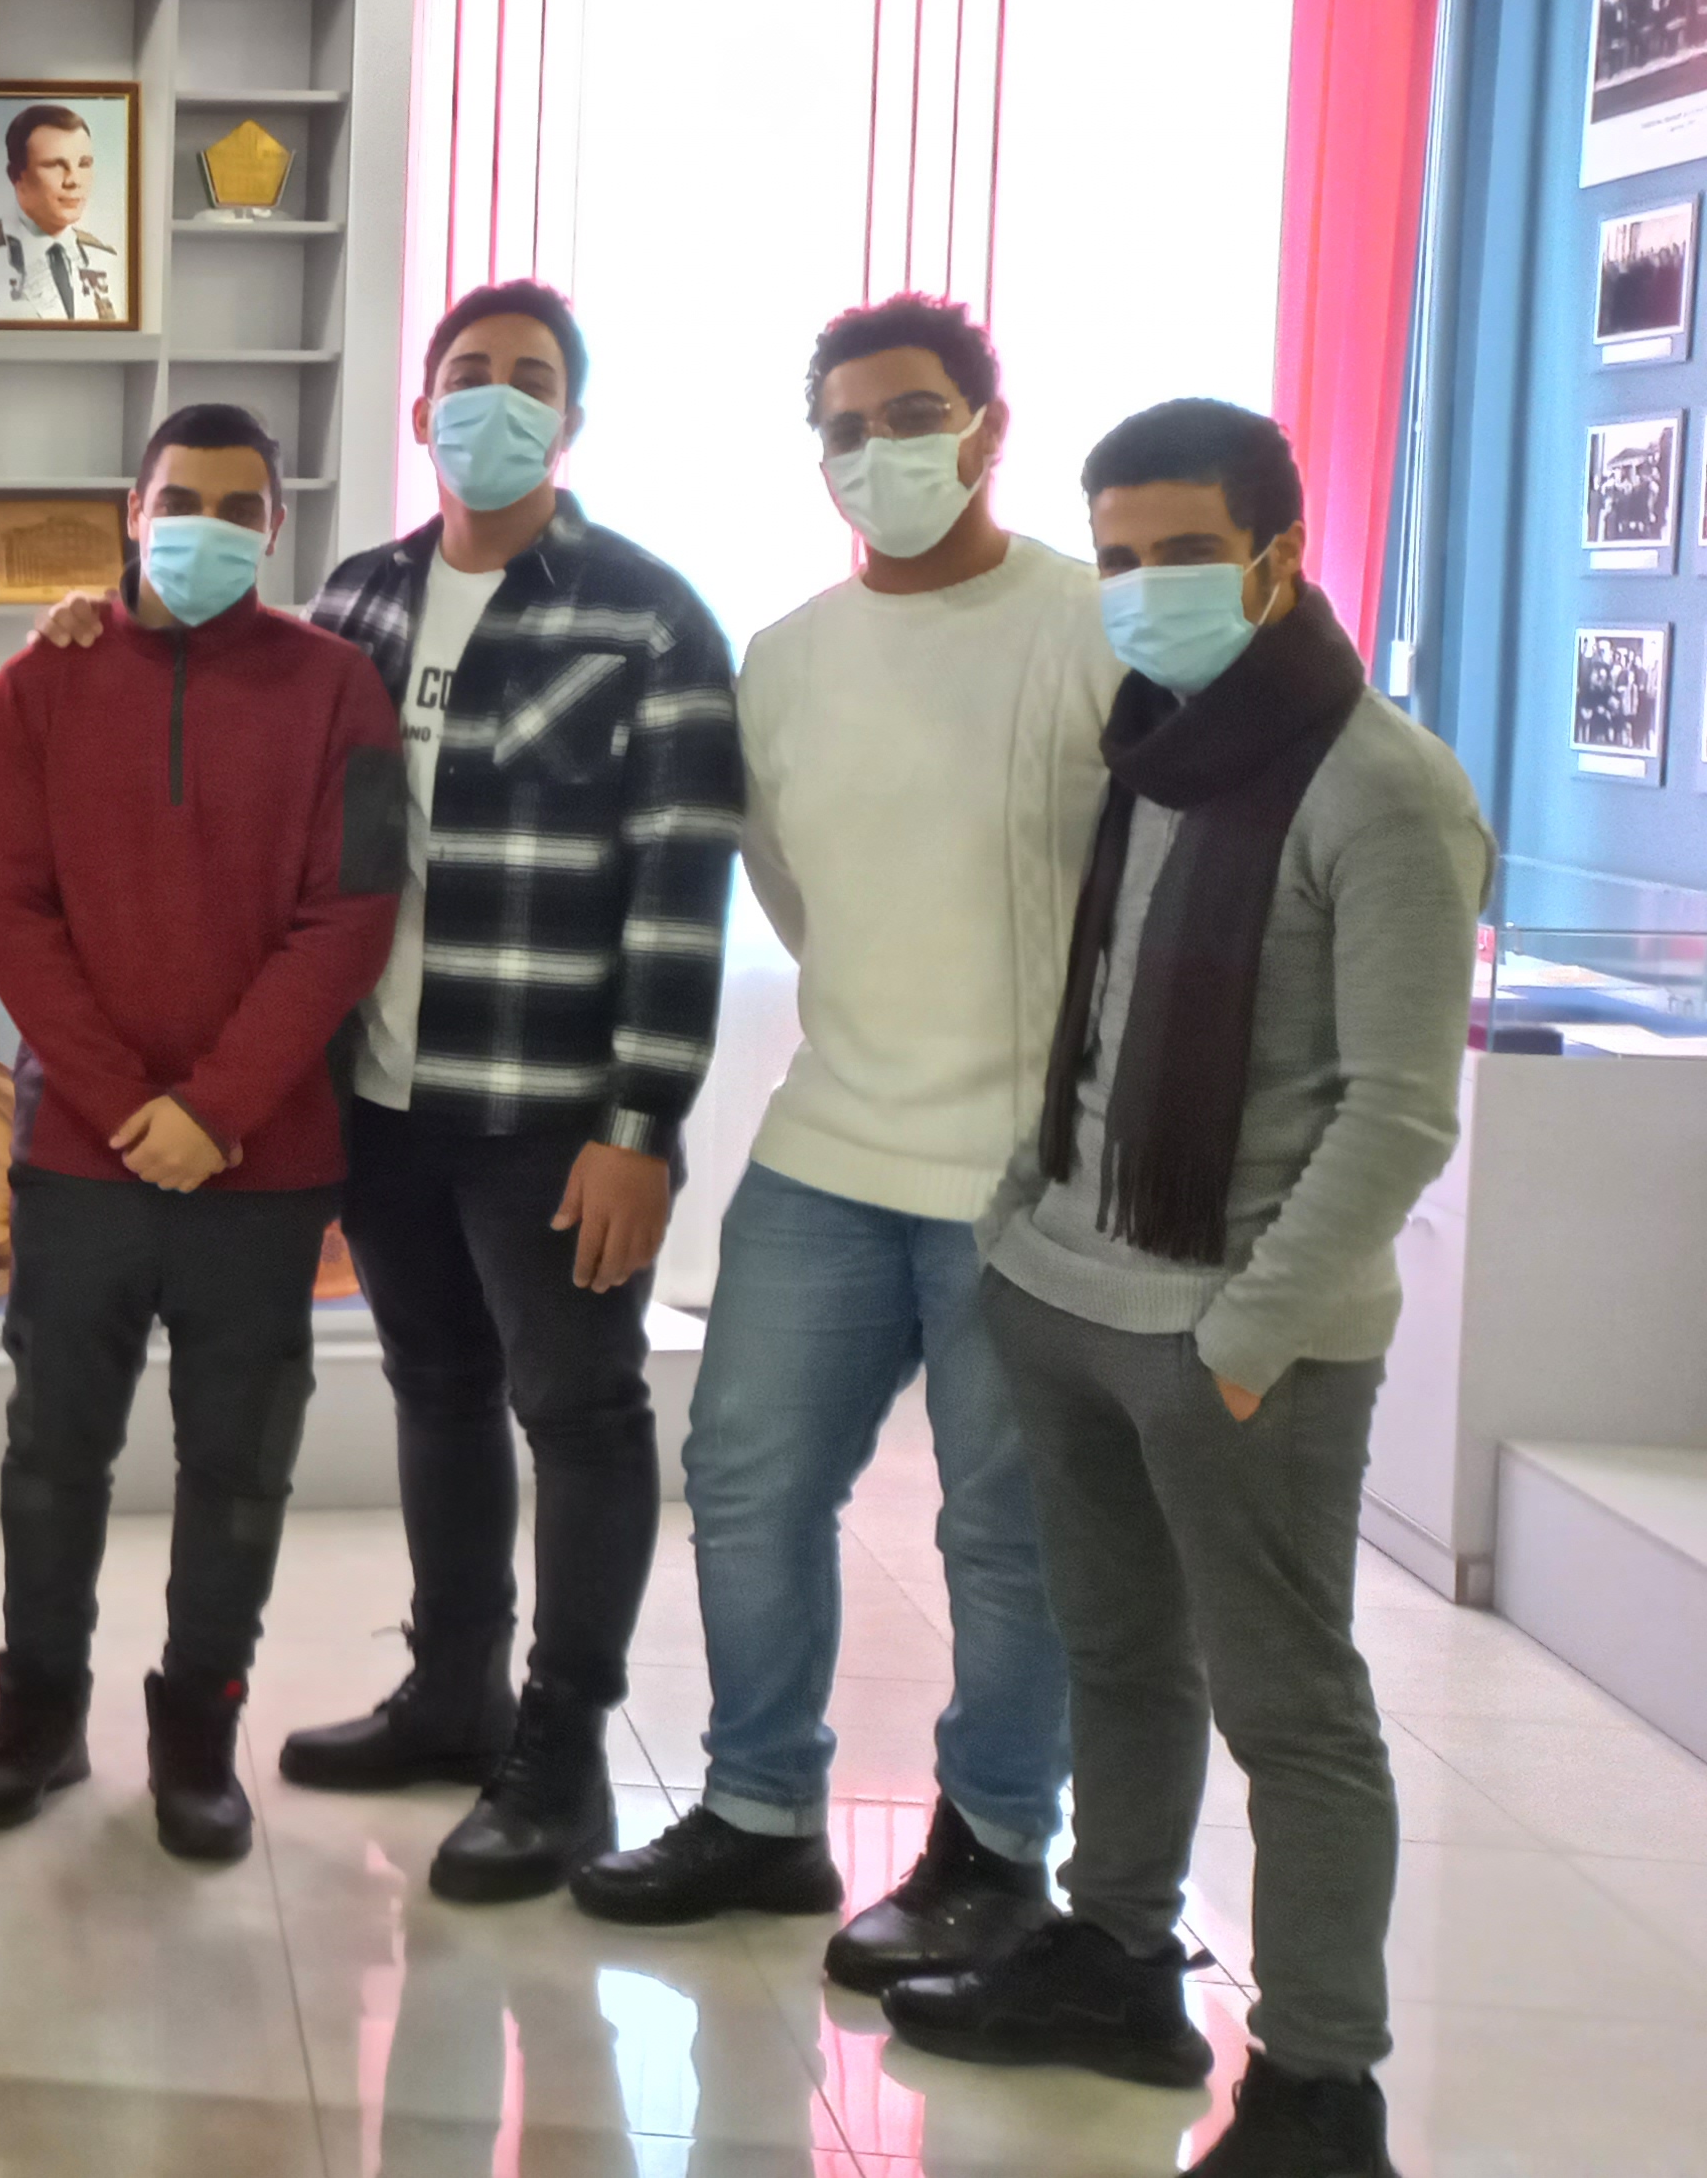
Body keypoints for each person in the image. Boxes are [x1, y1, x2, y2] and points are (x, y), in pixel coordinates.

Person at [884, 401, 1487, 2178]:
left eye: (1184, 552)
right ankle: (1116, 1957)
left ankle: (1318, 2084)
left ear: (1277, 557)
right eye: (1120, 555)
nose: (1144, 588)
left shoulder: (1384, 787)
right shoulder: (1149, 746)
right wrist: (1019, 1224)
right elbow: (1098, 1018)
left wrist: (1244, 1332)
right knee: (1115, 1654)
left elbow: (1396, 1111)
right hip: (1065, 1290)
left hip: (1240, 1344)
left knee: (1289, 1710)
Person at [572, 297, 1100, 1985]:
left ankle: (994, 1845)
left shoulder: (1090, 629)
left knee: (1002, 1527)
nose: (880, 451)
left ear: (988, 427)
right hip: (832, 1145)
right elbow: (798, 895)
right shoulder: (786, 659)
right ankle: (757, 1809)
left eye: (914, 414)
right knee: (745, 1472)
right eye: (847, 428)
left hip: (1027, 1172)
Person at [273, 279, 744, 1903]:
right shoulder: (356, 598)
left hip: (550, 1112)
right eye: (465, 373)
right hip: (384, 1092)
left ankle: (560, 1752)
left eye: (527, 377)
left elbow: (679, 895)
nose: (492, 398)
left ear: (568, 419)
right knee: (433, 1385)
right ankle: (450, 1691)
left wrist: (640, 1129)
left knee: (581, 1412)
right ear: (419, 412)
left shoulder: (649, 618)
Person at [0, 403, 405, 1859]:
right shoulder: (39, 685)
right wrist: (120, 1101)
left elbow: (352, 914)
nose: (205, 527)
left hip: (263, 1163)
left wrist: (213, 1109)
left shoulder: (342, 691)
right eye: (180, 501)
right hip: (77, 1157)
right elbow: (12, 913)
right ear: (130, 515)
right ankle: (38, 1713)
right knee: (51, 1453)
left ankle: (198, 1729)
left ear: (274, 527)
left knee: (239, 1464)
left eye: (236, 506)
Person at [0, 101, 124, 324]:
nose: (73, 180)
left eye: (84, 164)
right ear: (16, 176)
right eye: (55, 165)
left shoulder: (106, 259)